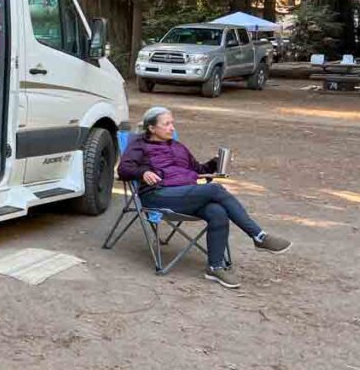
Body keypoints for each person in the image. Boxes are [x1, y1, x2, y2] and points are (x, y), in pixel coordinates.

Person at [117, 106, 291, 289]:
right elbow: (123, 169)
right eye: (166, 124)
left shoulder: (178, 147)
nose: (172, 128)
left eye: (172, 123)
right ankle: (259, 236)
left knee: (217, 211)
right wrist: (143, 172)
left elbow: (198, 170)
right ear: (152, 128)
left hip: (186, 195)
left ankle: (215, 267)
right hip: (158, 195)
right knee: (215, 190)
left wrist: (214, 163)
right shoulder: (139, 146)